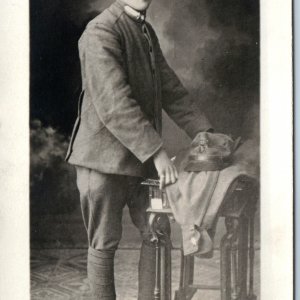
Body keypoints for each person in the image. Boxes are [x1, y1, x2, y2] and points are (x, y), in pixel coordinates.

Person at [65, 0, 212, 298]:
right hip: (102, 161)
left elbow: (169, 88)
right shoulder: (100, 31)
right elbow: (114, 104)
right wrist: (157, 153)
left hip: (141, 161)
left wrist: (203, 131)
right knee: (104, 243)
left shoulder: (144, 30)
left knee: (156, 233)